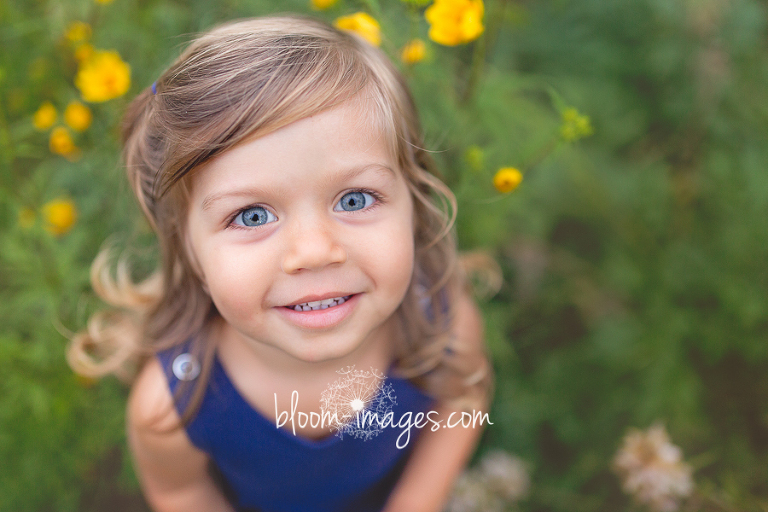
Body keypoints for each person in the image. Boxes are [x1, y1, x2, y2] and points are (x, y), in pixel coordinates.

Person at [68, 14, 492, 512]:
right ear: (189, 252)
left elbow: (461, 403)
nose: (314, 251)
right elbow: (180, 491)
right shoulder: (175, 405)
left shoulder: (441, 325)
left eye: (355, 199)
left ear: (413, 202)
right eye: (251, 215)